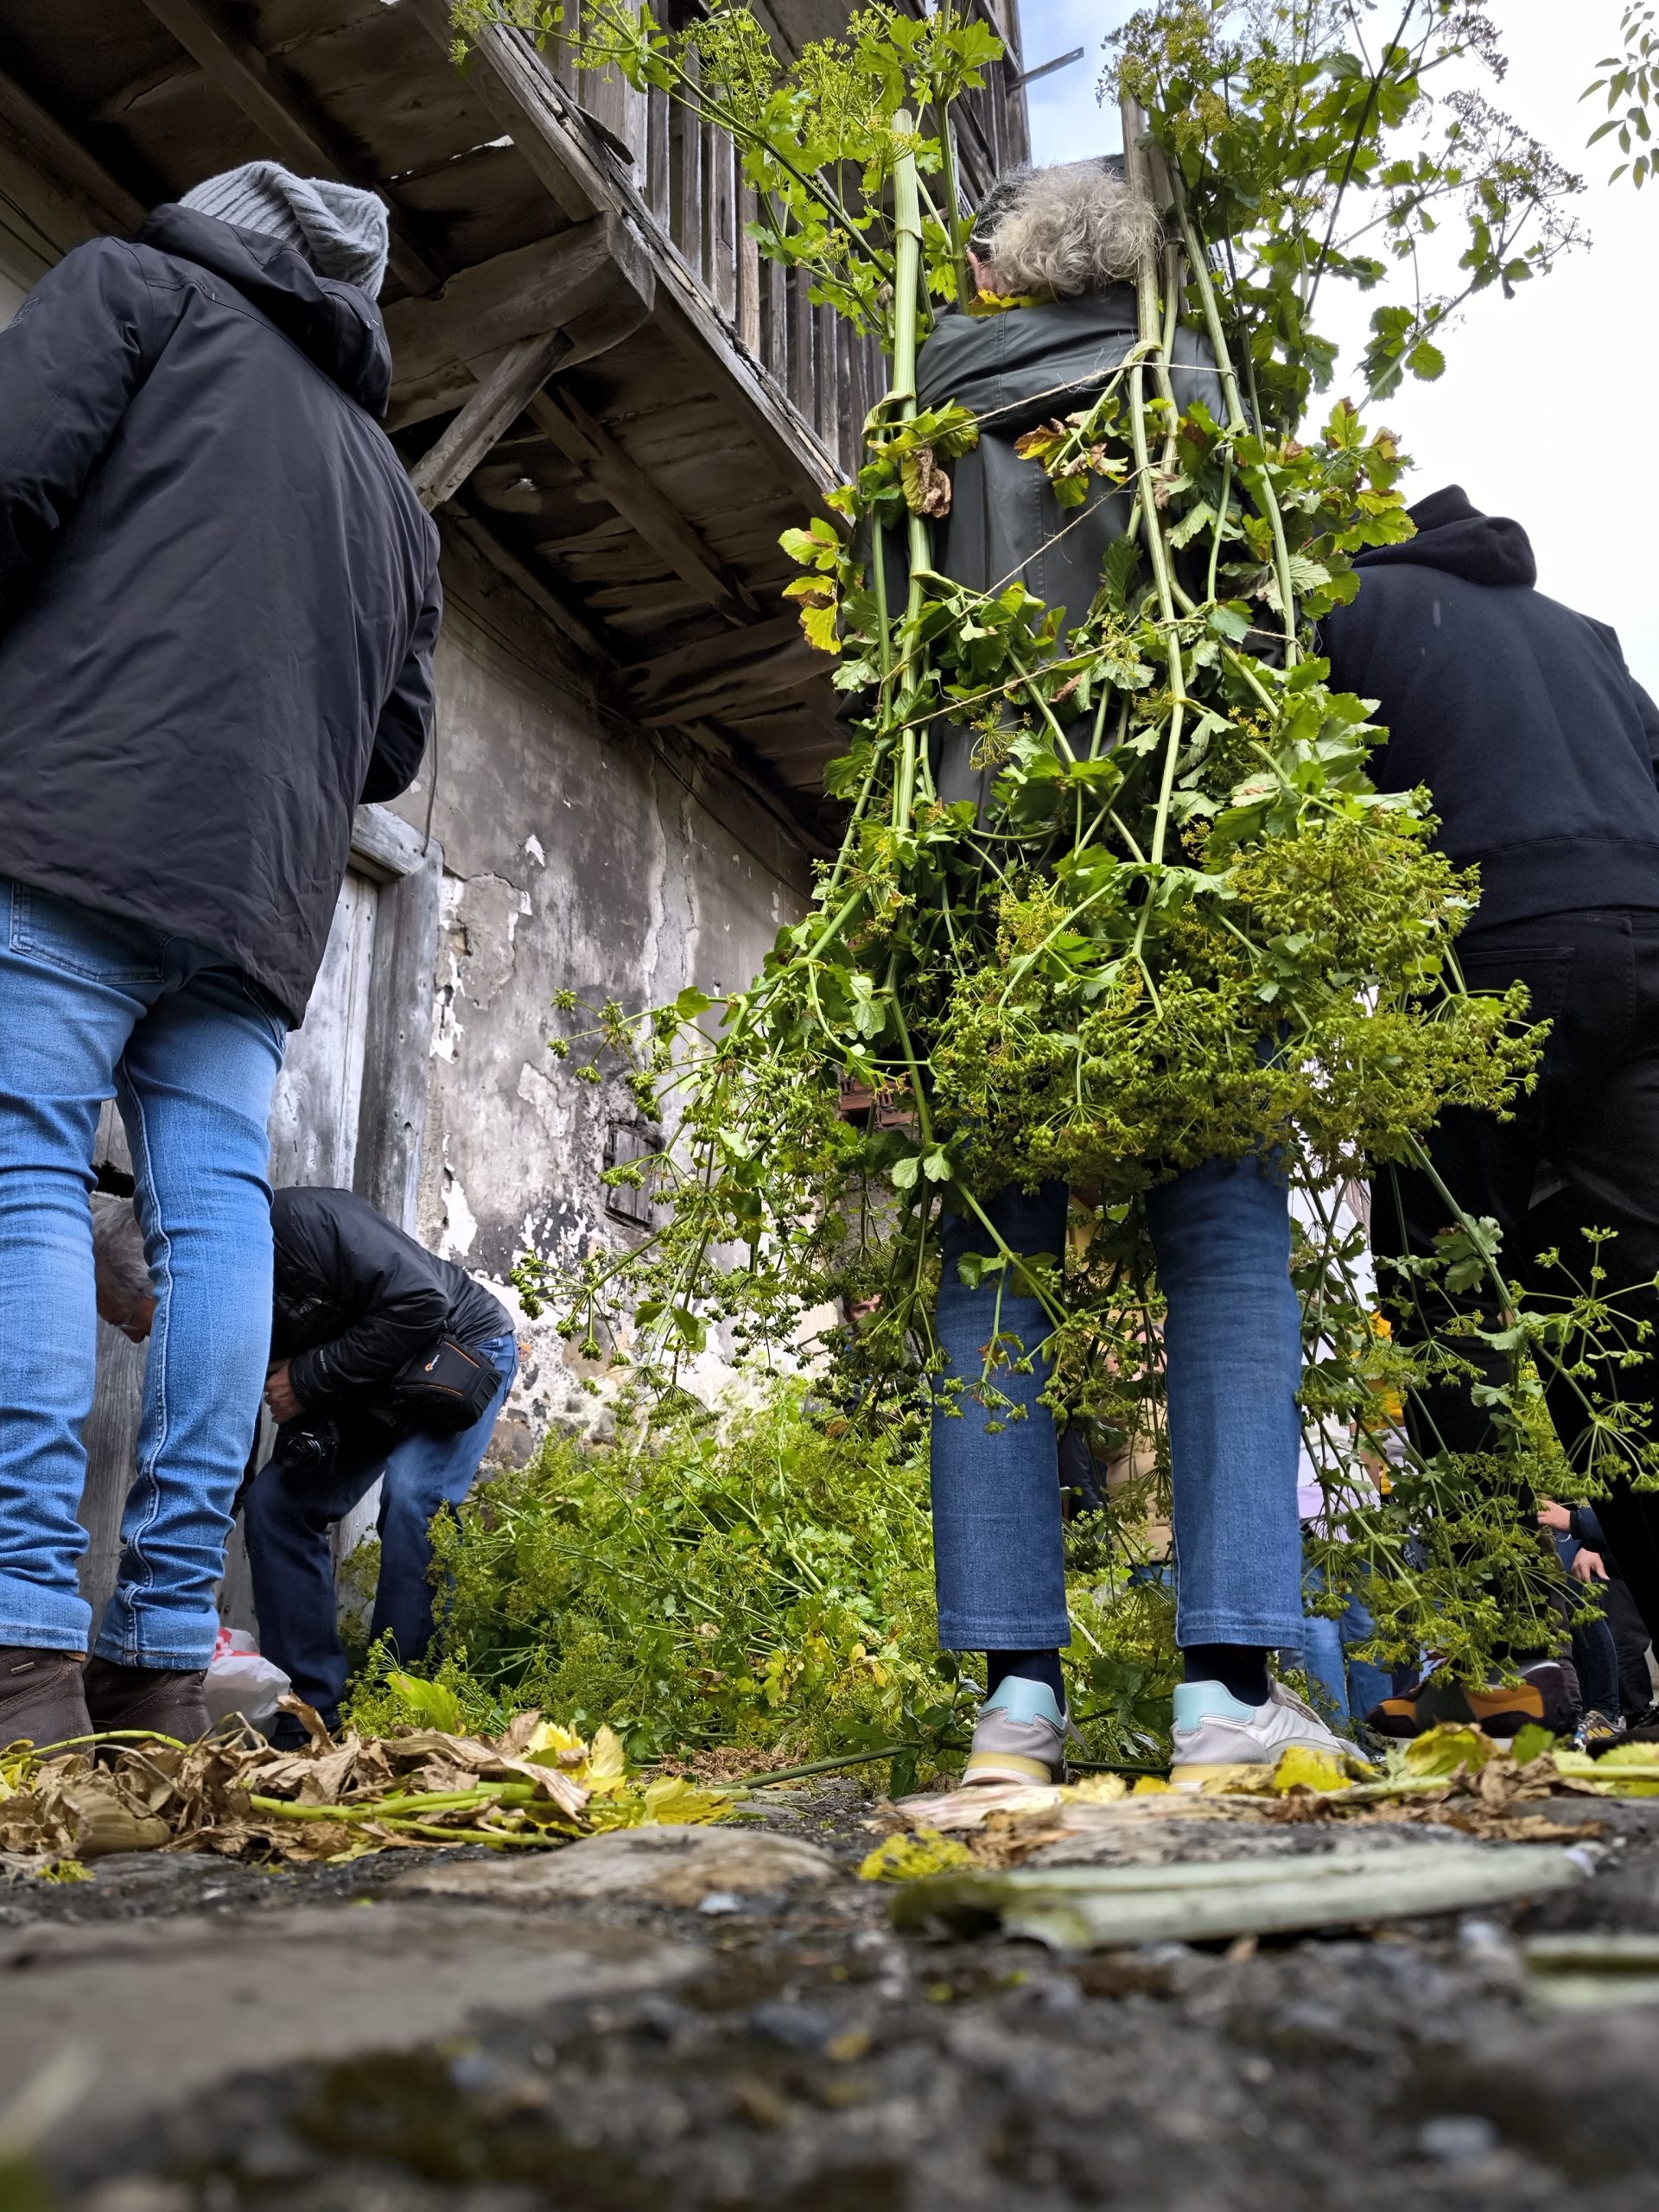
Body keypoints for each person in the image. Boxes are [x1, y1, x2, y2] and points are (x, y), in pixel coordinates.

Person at [910, 161, 1355, 1786]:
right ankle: (1225, 1691)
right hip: (1185, 860)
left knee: (993, 1269)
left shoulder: (931, 397)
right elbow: (1275, 639)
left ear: (1013, 266)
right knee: (1227, 1247)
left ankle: (1015, 1706)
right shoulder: (1200, 385)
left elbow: (884, 671)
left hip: (986, 866)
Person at [0, 162, 441, 1753]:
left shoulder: (136, 291)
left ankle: (20, 1644)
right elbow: (387, 751)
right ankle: (163, 1652)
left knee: (25, 1175)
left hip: (68, 820)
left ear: (219, 225)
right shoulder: (396, 497)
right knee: (217, 1230)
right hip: (255, 907)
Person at [1321, 486, 1659, 1735]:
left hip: (1491, 949)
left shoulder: (1349, 603)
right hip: (1647, 953)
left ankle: (1513, 1652)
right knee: (1627, 1319)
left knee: (1444, 1294)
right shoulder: (1587, 636)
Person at [95, 1188, 517, 1742]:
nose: (134, 1336)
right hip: (364, 1380)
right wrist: (215, 1524)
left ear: (160, 1276)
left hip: (455, 1352)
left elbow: (422, 1302)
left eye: (127, 1318)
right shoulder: (211, 1291)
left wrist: (307, 1378)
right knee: (277, 1507)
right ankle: (312, 1717)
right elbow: (233, 1412)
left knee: (415, 1498)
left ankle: (404, 1713)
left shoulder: (302, 1223)